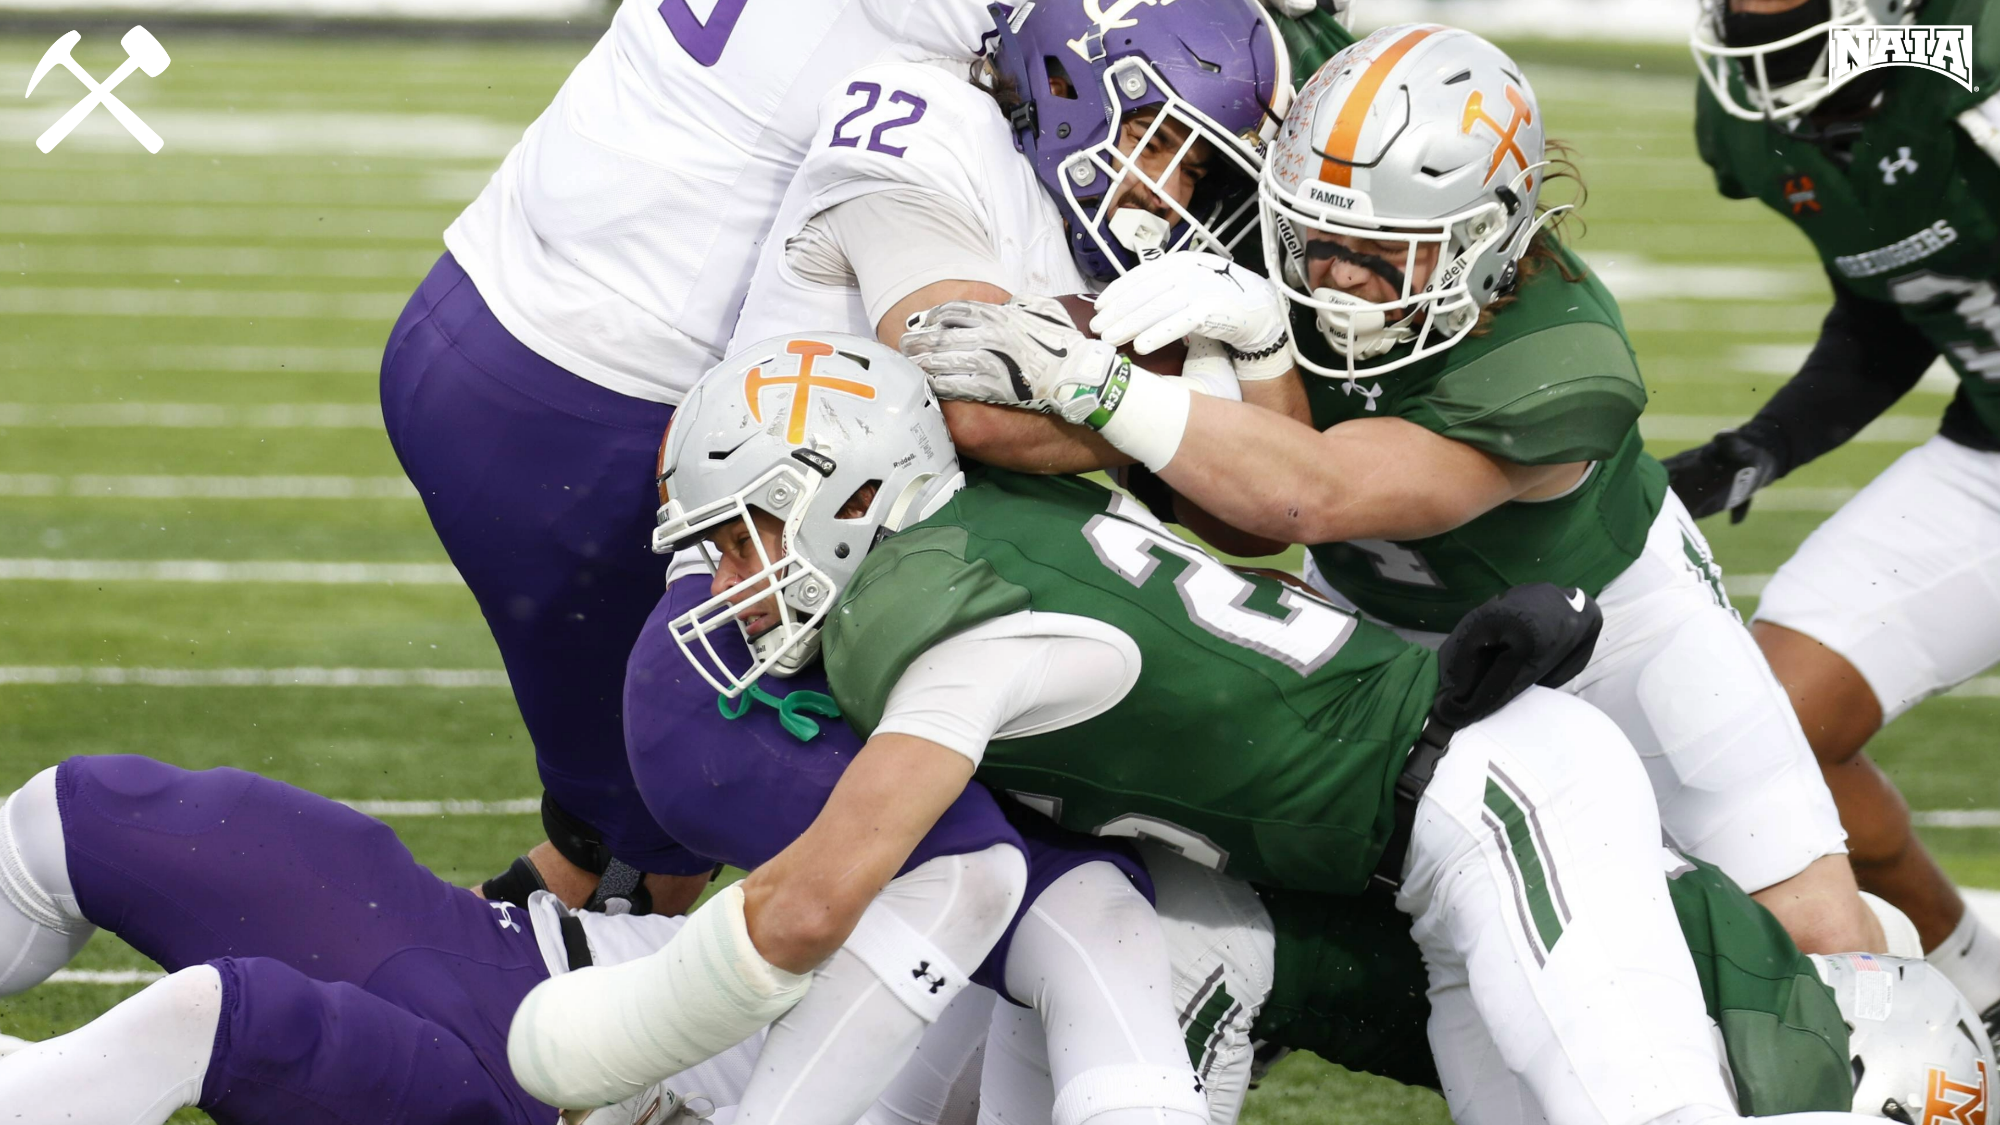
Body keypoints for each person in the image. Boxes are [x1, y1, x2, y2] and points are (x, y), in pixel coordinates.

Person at [511, 331, 1831, 1125]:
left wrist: (609, 1034)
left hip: (1493, 800)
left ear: (853, 492)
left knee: (1639, 1108)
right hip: (1412, 850)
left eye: (748, 530)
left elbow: (821, 901)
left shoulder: (940, 618)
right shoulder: (962, 521)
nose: (733, 578)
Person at [902, 24, 1891, 957]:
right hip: (1373, 629)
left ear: (1489, 235)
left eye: (1381, 253)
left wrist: (1101, 384)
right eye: (1313, 239)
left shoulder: (1562, 358)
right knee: (1282, 928)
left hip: (1619, 622)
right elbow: (1251, 529)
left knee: (1805, 924)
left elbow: (1314, 500)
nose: (1337, 277)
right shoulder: (1294, 204)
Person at [377, 0, 1011, 915]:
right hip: (605, 410)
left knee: (604, 848)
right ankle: (344, 1021)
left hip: (475, 309)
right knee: (667, 857)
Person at [0, 753, 1182, 1125]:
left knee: (223, 1017)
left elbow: (966, 903)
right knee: (86, 810)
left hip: (530, 1094)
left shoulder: (1117, 949)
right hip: (499, 948)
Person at [1672, 0, 2000, 1036]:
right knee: (1767, 725)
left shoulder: (1966, 52)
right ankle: (1979, 989)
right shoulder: (1756, 115)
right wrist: (1758, 445)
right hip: (1986, 458)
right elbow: (1885, 306)